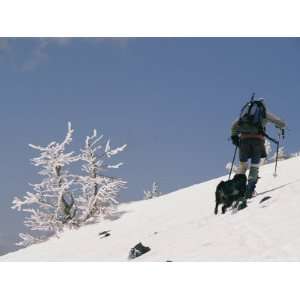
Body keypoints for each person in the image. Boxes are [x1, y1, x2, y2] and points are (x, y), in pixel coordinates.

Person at [231, 98, 286, 204]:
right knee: (254, 166)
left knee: (242, 165)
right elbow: (281, 123)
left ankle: (237, 190)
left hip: (243, 142)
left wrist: (234, 137)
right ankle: (249, 190)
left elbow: (233, 126)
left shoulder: (245, 113)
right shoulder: (264, 113)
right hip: (257, 142)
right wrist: (279, 126)